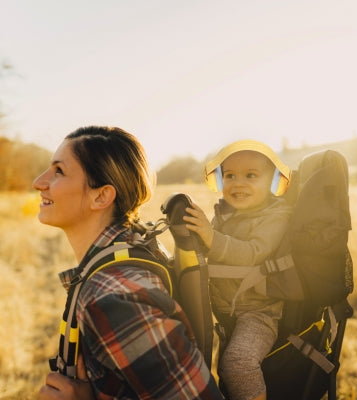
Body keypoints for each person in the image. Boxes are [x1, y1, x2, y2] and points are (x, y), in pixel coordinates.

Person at [34, 126, 223, 400]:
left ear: (101, 196)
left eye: (59, 171)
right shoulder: (128, 251)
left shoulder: (114, 298)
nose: (39, 182)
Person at [183, 139, 293, 400]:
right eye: (229, 175)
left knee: (238, 363)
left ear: (272, 181)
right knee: (219, 371)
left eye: (251, 175)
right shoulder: (224, 214)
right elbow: (206, 249)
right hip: (226, 310)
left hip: (259, 312)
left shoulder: (276, 216)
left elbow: (252, 253)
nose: (238, 183)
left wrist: (211, 237)